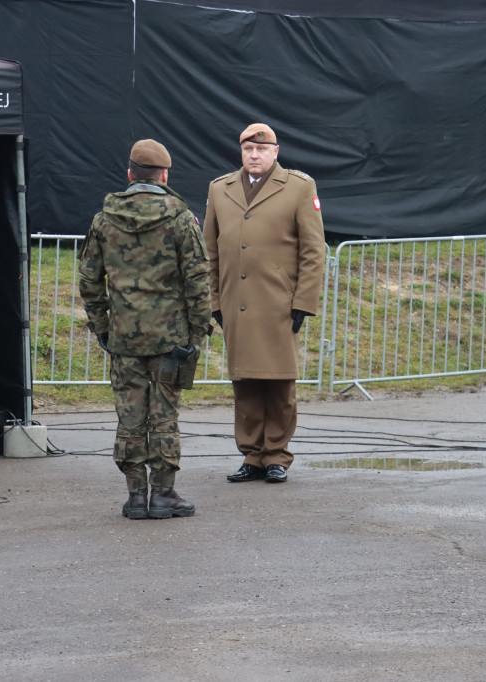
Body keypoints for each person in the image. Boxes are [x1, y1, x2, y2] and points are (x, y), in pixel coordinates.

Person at [78, 139, 211, 519]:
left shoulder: (103, 220)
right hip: (172, 340)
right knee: (165, 415)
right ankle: (164, 495)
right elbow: (198, 282)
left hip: (123, 340)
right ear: (165, 175)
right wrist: (197, 334)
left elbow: (89, 281)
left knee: (130, 416)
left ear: (129, 173)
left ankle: (136, 496)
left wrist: (103, 327)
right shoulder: (182, 219)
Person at [202, 123, 326, 484]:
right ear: (241, 152)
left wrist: (304, 300)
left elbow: (313, 250)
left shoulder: (299, 187)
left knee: (279, 384)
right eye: (247, 150)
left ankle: (277, 455)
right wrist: (213, 299)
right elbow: (210, 251)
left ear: (276, 151)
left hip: (279, 304)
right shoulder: (220, 188)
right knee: (245, 384)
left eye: (262, 149)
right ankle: (252, 456)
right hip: (235, 302)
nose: (254, 155)